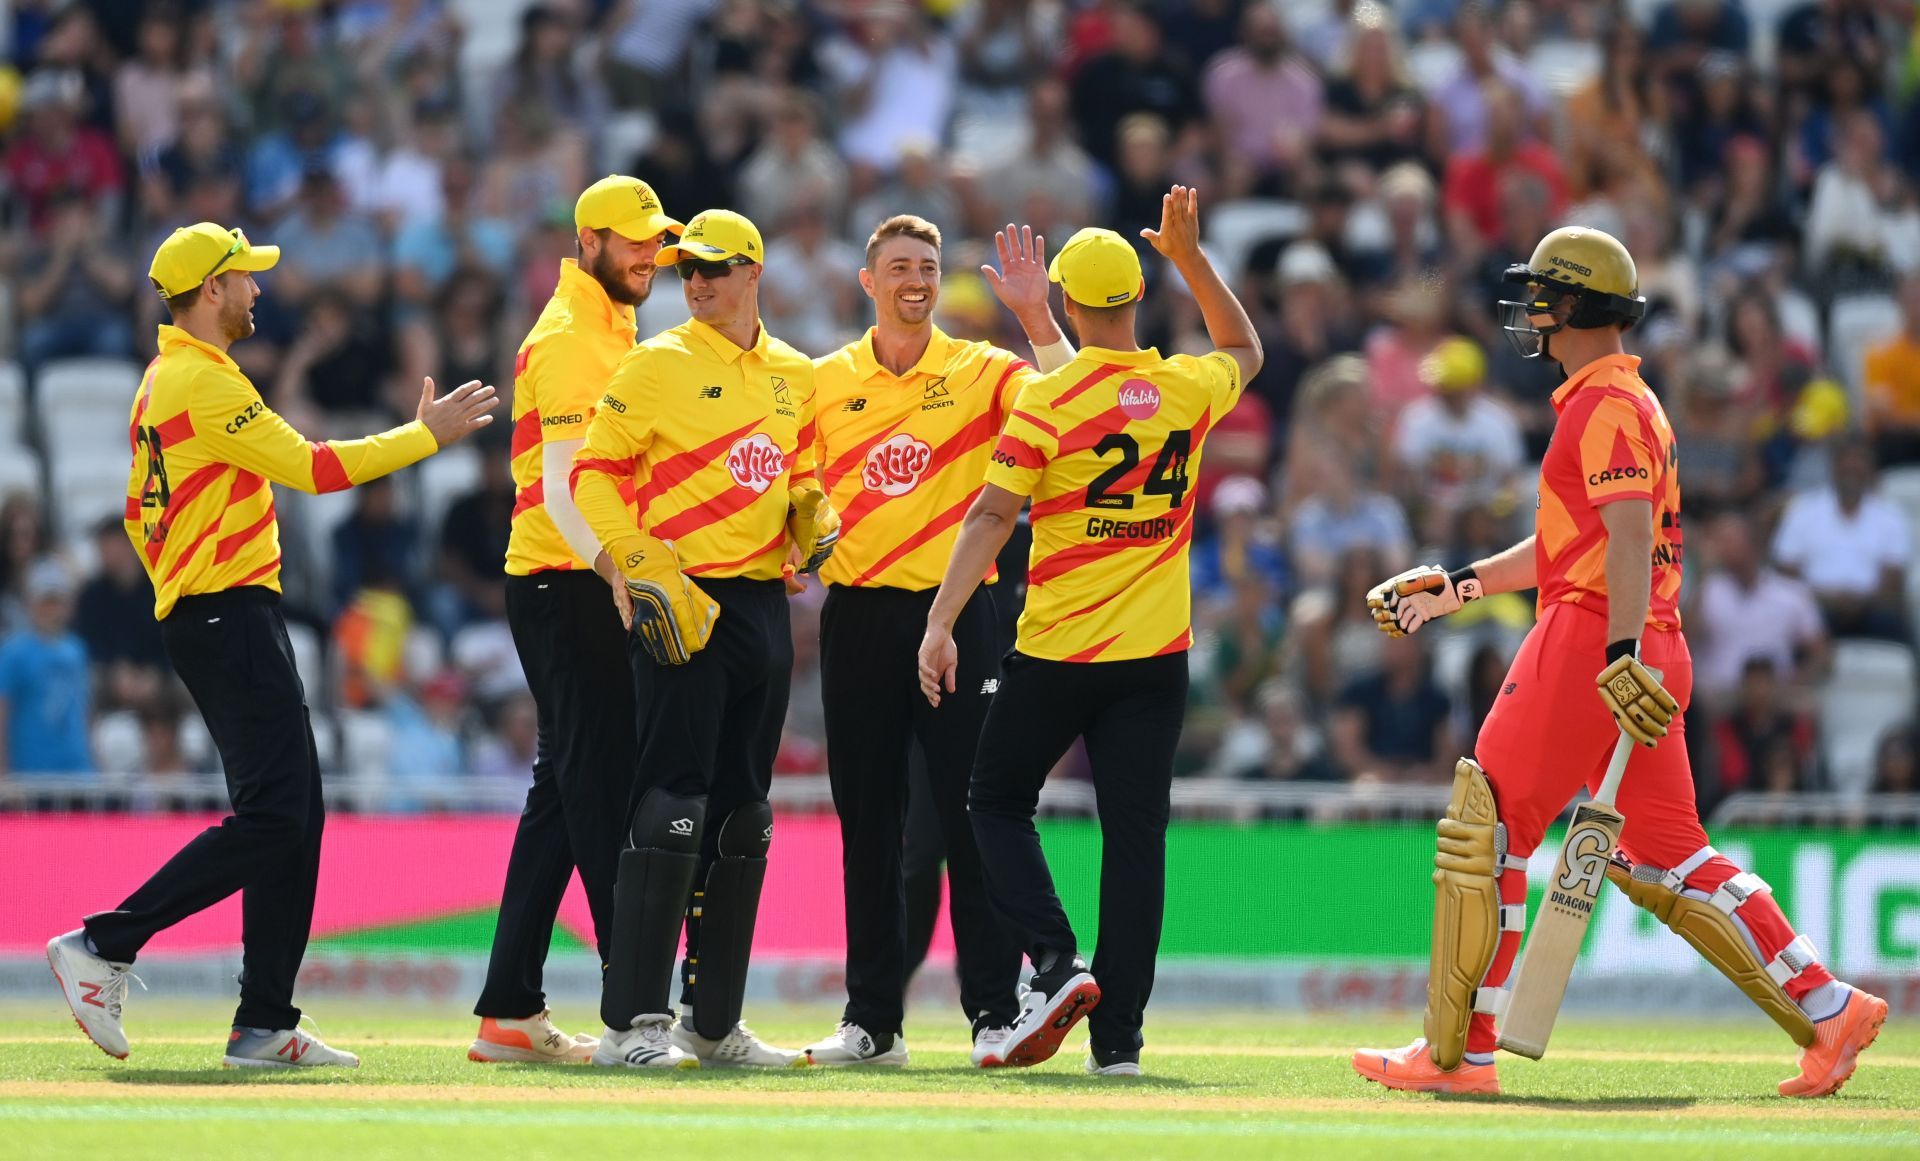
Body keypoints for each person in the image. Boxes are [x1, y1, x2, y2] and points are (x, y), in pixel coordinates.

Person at [1352, 226, 1885, 1098]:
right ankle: (1827, 1006)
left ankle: (1460, 1055)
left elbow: (1629, 534)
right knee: (1673, 856)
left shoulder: (1603, 406)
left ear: (1570, 305)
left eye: (1540, 296)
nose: (1530, 312)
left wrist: (1617, 650)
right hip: (1643, 640)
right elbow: (1582, 540)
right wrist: (1457, 587)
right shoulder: (1624, 399)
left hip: (1594, 641)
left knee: (1488, 827)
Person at [46, 221, 498, 1068]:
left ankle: (264, 1020)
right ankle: (106, 943)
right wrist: (425, 435)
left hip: (216, 611)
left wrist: (183, 581)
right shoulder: (204, 385)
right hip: (226, 614)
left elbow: (143, 518)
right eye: (246, 277)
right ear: (211, 290)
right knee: (279, 815)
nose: (259, 289)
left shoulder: (165, 380)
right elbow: (316, 470)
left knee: (296, 815)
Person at [917, 186, 1263, 1076]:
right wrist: (1191, 256)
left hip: (1059, 649)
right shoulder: (1185, 389)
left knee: (995, 801)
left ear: (1068, 302)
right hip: (1155, 659)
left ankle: (1057, 961)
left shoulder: (1045, 400)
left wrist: (942, 619)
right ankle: (1120, 1045)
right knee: (1136, 839)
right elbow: (1244, 348)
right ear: (1135, 300)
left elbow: (993, 517)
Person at [799, 217, 1075, 1068]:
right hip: (862, 615)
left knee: (969, 819)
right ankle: (871, 1022)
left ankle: (994, 1012)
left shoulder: (985, 371)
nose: (916, 279)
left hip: (962, 616)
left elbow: (1072, 398)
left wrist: (1037, 318)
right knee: (868, 822)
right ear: (867, 282)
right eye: (899, 268)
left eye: (927, 266)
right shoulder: (821, 381)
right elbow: (792, 488)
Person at [572, 208, 833, 1070]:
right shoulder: (656, 363)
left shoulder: (796, 371)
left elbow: (803, 472)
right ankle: (632, 1026)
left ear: (753, 271)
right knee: (671, 805)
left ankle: (713, 1024)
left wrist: (811, 507)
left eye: (715, 269)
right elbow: (592, 473)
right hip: (684, 597)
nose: (696, 282)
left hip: (763, 603)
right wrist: (637, 563)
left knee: (742, 817)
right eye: (687, 269)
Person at [468, 176, 682, 1065]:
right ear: (587, 240)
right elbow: (561, 489)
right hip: (569, 584)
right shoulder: (567, 340)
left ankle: (511, 1008)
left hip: (579, 582)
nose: (648, 254)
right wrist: (617, 569)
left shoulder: (611, 327)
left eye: (655, 240)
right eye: (633, 240)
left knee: (563, 796)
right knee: (600, 796)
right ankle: (632, 1015)